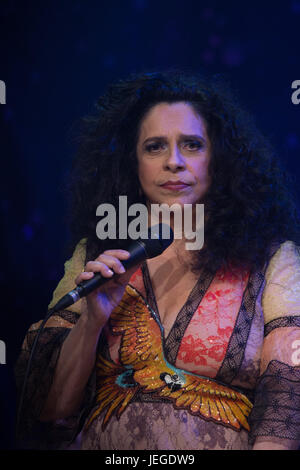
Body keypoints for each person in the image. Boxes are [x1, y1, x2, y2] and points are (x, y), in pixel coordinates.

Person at [15, 71, 300, 450]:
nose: (174, 162)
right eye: (154, 147)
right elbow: (50, 409)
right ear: (131, 162)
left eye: (192, 145)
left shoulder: (272, 257)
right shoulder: (97, 253)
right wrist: (91, 320)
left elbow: (286, 394)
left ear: (220, 160)